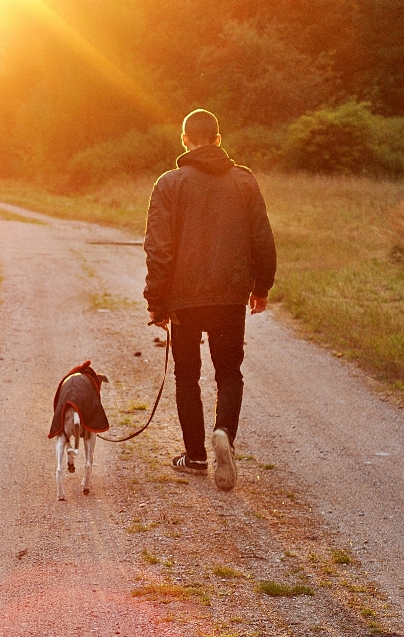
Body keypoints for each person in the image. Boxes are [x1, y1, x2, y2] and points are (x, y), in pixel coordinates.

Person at [143, 109, 277, 492]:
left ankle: (196, 457)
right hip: (230, 295)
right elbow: (262, 239)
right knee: (229, 371)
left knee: (187, 375)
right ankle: (224, 435)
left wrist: (157, 299)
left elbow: (159, 248)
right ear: (218, 139)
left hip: (183, 299)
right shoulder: (244, 182)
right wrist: (261, 287)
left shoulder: (169, 184)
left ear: (184, 139)